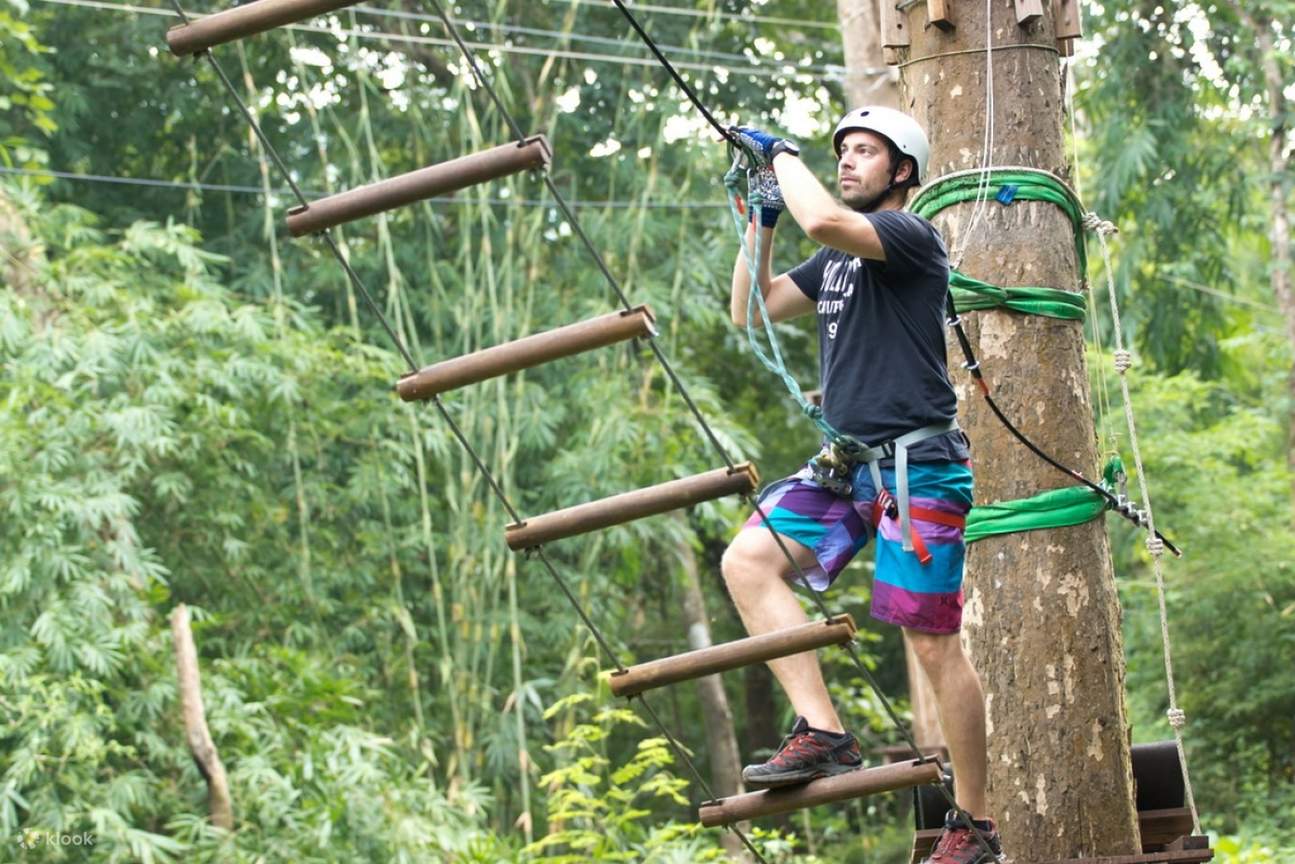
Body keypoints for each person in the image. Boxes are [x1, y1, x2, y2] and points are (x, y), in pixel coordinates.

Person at [721, 107, 1002, 864]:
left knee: (930, 644)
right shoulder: (837, 260)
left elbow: (825, 221)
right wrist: (763, 217)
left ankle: (974, 826)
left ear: (901, 171)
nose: (846, 162)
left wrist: (779, 155)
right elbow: (750, 309)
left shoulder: (911, 238)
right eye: (839, 151)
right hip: (847, 468)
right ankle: (823, 730)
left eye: (864, 152)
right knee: (747, 561)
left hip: (917, 470)